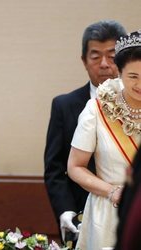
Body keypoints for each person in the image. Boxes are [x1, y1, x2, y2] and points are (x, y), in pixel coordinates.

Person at [44, 20, 126, 247]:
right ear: (84, 61)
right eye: (95, 56)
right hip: (81, 215)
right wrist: (65, 211)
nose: (104, 64)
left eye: (112, 56)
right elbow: (55, 168)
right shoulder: (65, 105)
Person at [67, 30, 141, 250]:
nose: (140, 85)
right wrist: (111, 191)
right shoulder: (98, 107)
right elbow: (75, 166)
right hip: (109, 210)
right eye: (133, 77)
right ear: (119, 72)